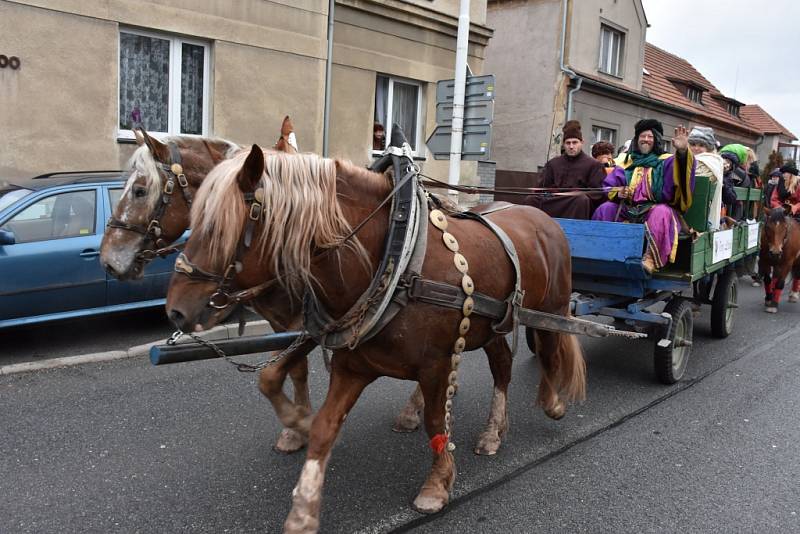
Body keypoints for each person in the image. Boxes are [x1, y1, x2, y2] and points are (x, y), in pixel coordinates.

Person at [592, 119, 696, 273]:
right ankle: (599, 252)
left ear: (657, 140)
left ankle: (651, 258)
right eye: (642, 136)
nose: (646, 140)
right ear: (637, 139)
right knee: (605, 209)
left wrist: (682, 152)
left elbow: (683, 172)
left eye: (650, 136)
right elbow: (610, 185)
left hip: (656, 208)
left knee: (661, 213)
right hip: (629, 208)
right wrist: (618, 192)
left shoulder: (667, 161)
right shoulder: (626, 161)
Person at [525, 120, 606, 219]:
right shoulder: (553, 163)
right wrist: (551, 191)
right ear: (563, 144)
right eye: (568, 143)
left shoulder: (594, 165)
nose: (571, 146)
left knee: (581, 200)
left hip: (574, 202)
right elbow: (541, 188)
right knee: (531, 199)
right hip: (554, 200)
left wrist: (576, 192)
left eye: (575, 142)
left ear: (582, 142)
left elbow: (597, 193)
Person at [687, 126, 726, 230]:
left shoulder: (710, 161)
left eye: (701, 145)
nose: (696, 148)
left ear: (708, 148)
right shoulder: (688, 159)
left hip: (697, 210)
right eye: (693, 144)